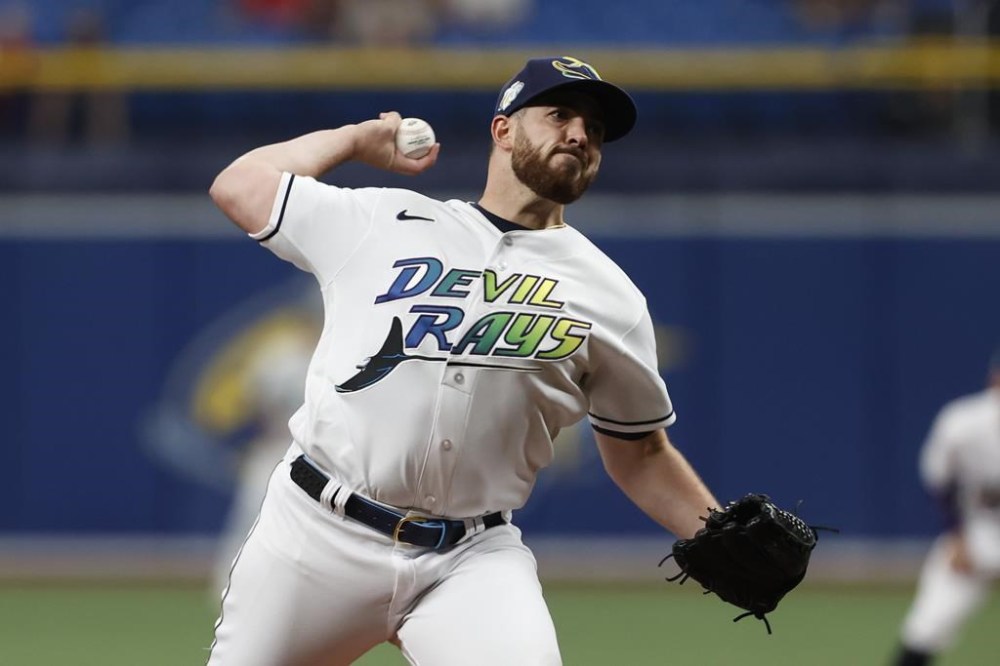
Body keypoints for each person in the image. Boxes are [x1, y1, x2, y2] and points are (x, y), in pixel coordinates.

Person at [206, 55, 720, 665]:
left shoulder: (611, 295)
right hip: (317, 534)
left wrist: (714, 534)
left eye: (596, 129)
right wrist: (352, 140)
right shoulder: (385, 220)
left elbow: (641, 452)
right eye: (559, 115)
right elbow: (239, 185)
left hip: (472, 559)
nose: (580, 134)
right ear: (502, 129)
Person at [893, 345, 1000, 665]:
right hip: (978, 530)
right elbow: (938, 481)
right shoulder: (963, 422)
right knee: (928, 626)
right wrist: (956, 536)